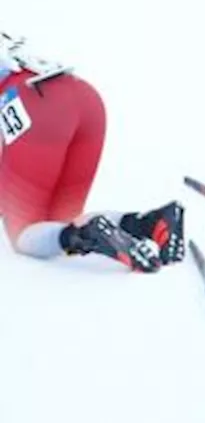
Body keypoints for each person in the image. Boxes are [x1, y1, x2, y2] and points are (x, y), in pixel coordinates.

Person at [0, 34, 184, 272]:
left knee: (24, 237)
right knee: (61, 225)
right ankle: (150, 224)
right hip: (84, 98)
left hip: (36, 106)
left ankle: (88, 234)